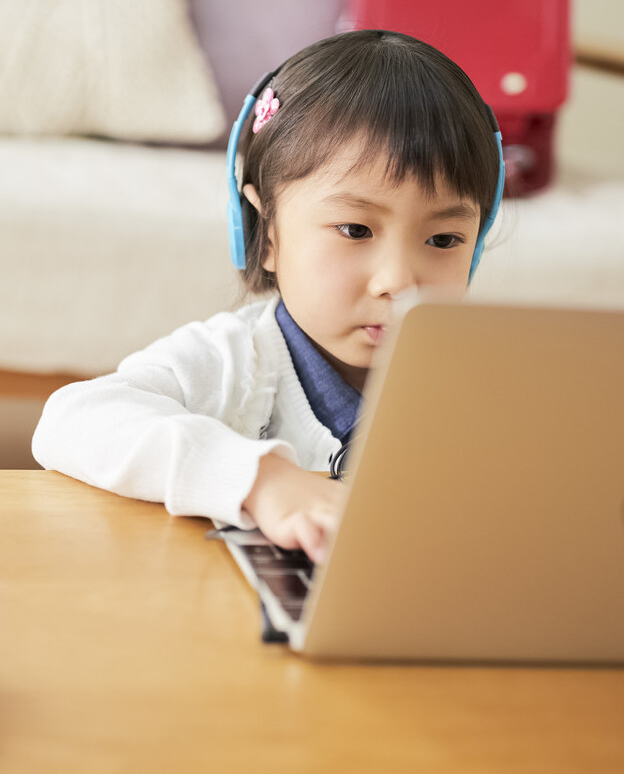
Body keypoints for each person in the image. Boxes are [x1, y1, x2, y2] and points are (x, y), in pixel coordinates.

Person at [31, 30, 503, 562]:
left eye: (443, 240)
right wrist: (263, 479)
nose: (398, 281)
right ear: (267, 231)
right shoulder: (229, 362)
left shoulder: (485, 385)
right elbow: (72, 419)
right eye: (354, 230)